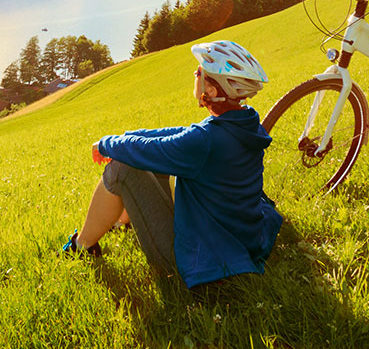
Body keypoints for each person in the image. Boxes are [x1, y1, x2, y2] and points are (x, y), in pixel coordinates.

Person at [62, 40, 283, 289]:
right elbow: (176, 135)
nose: (194, 74)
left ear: (210, 91)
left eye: (200, 72)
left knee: (120, 168)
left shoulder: (205, 141)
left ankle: (81, 247)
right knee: (145, 159)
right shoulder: (243, 122)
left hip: (200, 259)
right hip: (236, 236)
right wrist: (124, 136)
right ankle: (120, 221)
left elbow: (157, 148)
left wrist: (106, 144)